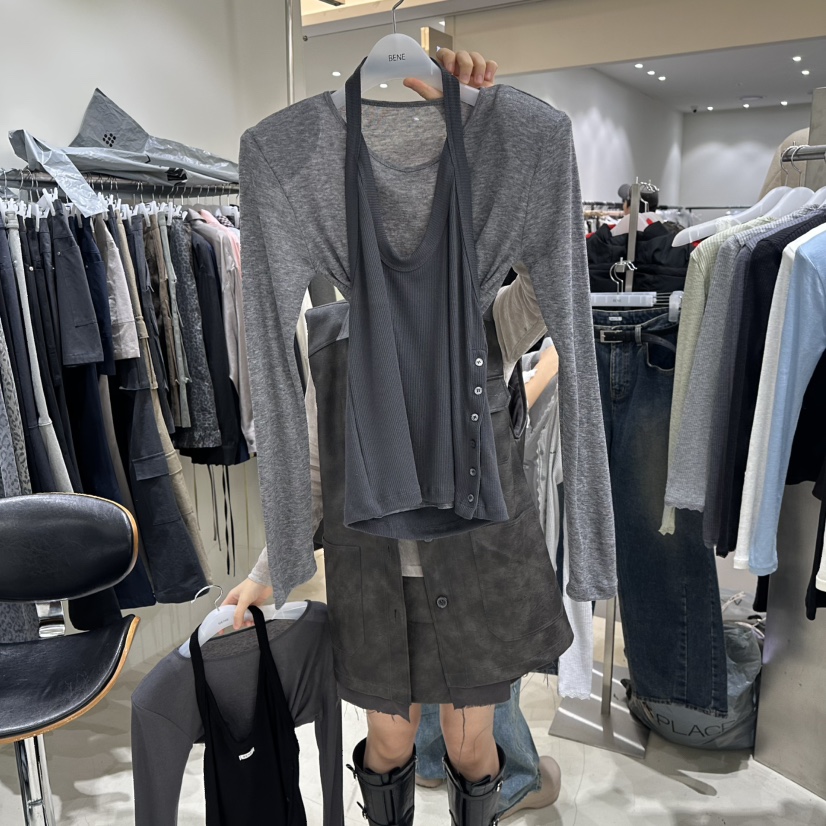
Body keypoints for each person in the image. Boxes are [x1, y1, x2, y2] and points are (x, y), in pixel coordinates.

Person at [228, 50, 576, 826]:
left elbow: (545, 273)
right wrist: (266, 572)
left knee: (471, 743)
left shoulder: (486, 319)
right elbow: (316, 467)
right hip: (374, 574)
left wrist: (488, 128)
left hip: (478, 566)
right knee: (387, 742)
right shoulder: (331, 337)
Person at [414, 344, 562, 822]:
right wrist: (547, 369)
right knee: (488, 636)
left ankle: (430, 758)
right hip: (478, 493)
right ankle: (514, 778)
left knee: (430, 615)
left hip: (415, 498)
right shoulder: (479, 307)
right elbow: (485, 402)